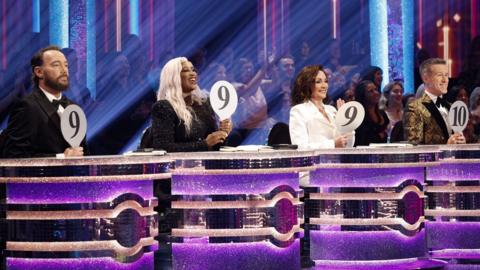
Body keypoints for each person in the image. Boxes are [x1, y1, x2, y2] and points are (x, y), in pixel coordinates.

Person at [1, 46, 86, 158]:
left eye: (66, 65)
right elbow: (14, 156)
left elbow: (84, 151)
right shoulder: (27, 107)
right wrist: (61, 158)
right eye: (56, 65)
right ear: (39, 72)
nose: (64, 70)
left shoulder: (74, 107)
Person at [150, 57, 232, 152]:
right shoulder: (163, 107)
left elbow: (214, 147)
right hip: (177, 166)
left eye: (193, 70)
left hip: (205, 164)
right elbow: (163, 148)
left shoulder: (204, 104)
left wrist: (222, 133)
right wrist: (205, 144)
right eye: (185, 70)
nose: (193, 73)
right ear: (173, 77)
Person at [404, 58, 465, 145]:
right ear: (426, 78)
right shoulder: (414, 108)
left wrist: (460, 142)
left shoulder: (451, 107)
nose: (445, 80)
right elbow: (414, 148)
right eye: (440, 75)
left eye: (446, 75)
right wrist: (447, 147)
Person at [289, 65, 353, 149]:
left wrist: (346, 122)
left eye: (326, 81)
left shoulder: (331, 110)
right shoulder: (298, 111)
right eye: (318, 82)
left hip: (338, 160)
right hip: (316, 162)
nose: (324, 86)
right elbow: (300, 147)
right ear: (307, 85)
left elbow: (348, 145)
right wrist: (332, 144)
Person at [354, 80, 389, 146]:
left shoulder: (382, 114)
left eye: (376, 89)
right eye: (371, 91)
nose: (376, 93)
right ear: (363, 95)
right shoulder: (357, 116)